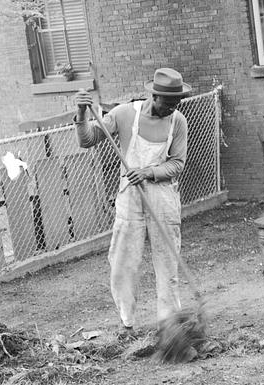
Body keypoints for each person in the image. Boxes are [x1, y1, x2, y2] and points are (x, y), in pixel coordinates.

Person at [73, 67, 191, 331]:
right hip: (130, 197)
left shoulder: (178, 121)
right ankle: (127, 322)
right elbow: (88, 139)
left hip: (162, 197)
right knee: (123, 261)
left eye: (177, 103)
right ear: (154, 96)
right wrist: (81, 114)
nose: (173, 108)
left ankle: (170, 323)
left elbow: (177, 164)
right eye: (168, 103)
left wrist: (148, 172)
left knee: (167, 262)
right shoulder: (126, 114)